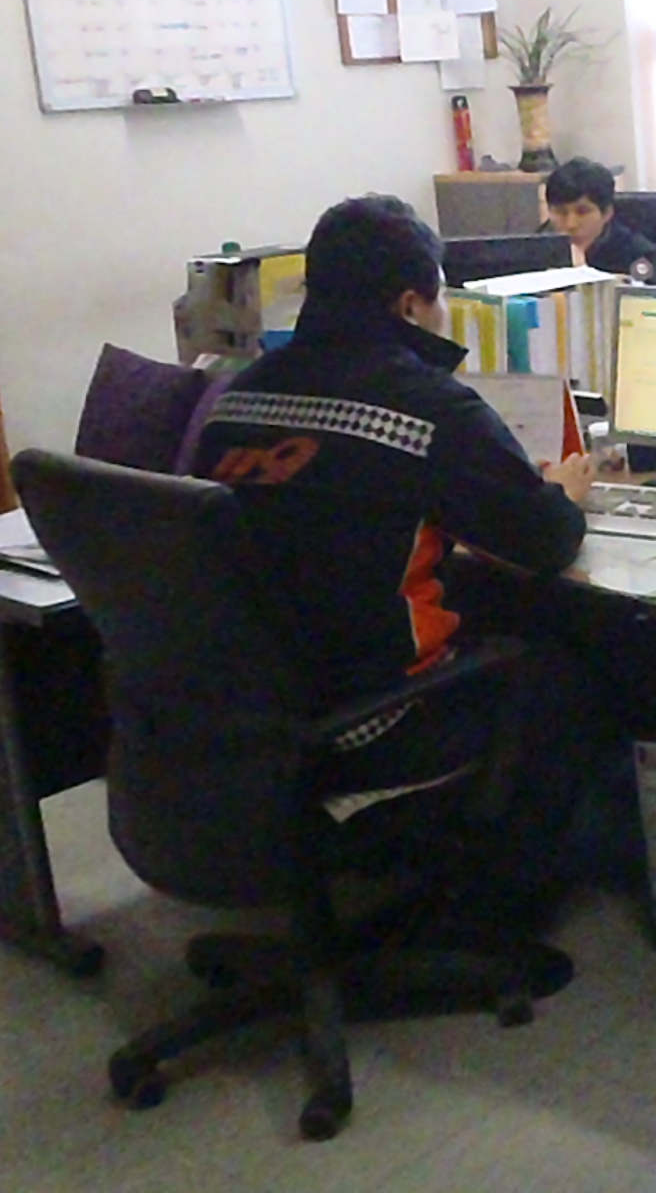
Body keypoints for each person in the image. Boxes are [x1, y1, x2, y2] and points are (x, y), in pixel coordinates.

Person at [194, 194, 609, 941]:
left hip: (237, 714)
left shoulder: (236, 398)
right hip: (362, 724)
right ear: (412, 305)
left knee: (470, 600)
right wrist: (565, 494)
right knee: (559, 673)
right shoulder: (426, 408)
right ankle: (497, 916)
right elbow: (544, 542)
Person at [542, 157, 656, 274]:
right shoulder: (537, 248)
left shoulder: (638, 254)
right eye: (560, 212)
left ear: (607, 213)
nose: (571, 224)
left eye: (582, 212)